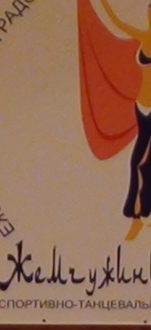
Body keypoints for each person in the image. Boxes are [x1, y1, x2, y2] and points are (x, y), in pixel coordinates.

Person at [80, 0, 151, 239]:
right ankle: (140, 215)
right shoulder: (144, 36)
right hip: (141, 108)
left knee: (140, 163)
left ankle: (138, 216)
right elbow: (119, 23)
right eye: (150, 14)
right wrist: (103, 3)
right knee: (142, 162)